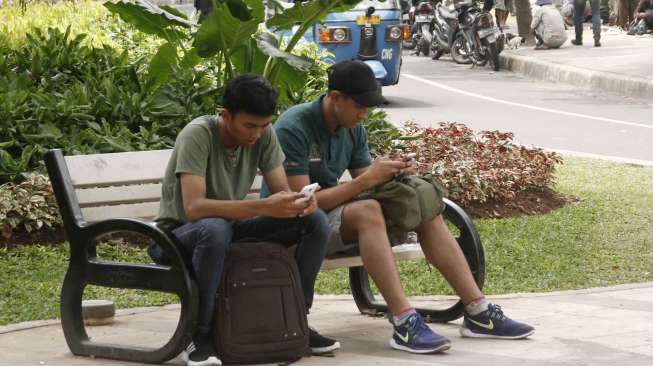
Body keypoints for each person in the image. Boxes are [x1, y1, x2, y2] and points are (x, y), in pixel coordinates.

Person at [263, 60, 535, 355]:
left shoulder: (353, 128)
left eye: (369, 107)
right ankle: (405, 321)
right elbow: (302, 204)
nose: (365, 113)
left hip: (339, 217)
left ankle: (478, 311)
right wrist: (368, 179)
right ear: (336, 97)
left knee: (426, 210)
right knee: (368, 211)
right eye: (360, 106)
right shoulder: (295, 126)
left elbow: (366, 184)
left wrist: (390, 173)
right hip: (299, 226)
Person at [153, 74, 337, 366]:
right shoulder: (198, 134)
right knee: (215, 228)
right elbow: (195, 209)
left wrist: (299, 202)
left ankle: (296, 318)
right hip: (175, 237)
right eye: (249, 125)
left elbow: (281, 191)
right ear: (225, 115)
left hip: (228, 228)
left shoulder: (263, 134)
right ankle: (199, 333)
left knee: (314, 221)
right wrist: (263, 207)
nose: (256, 134)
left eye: (263, 126)